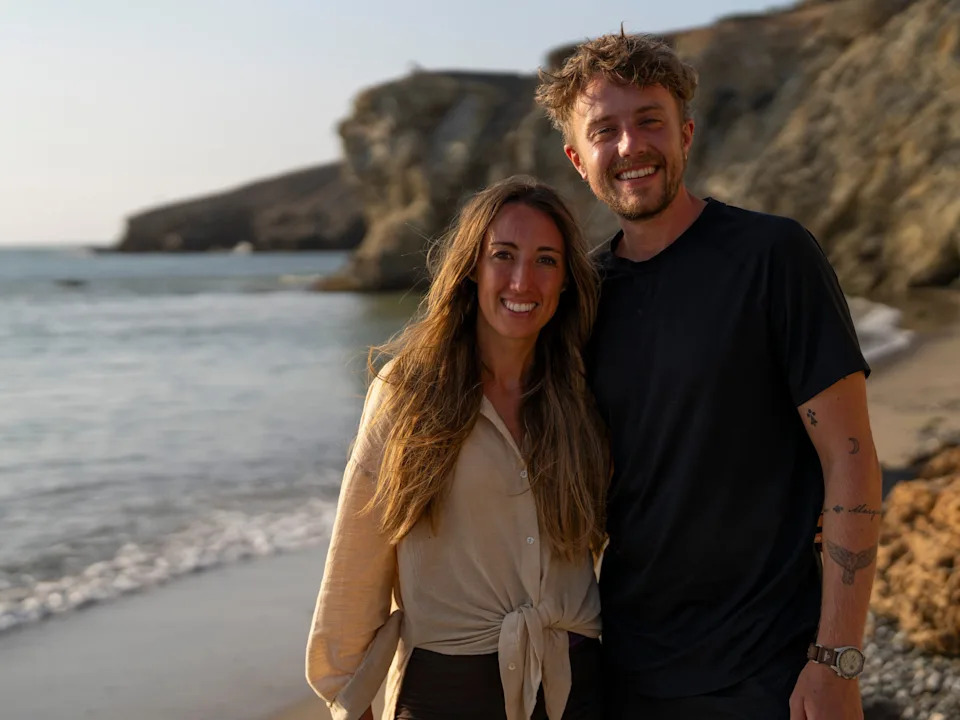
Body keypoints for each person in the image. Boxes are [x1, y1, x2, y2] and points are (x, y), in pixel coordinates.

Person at [536, 31, 883, 720]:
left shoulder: (774, 257)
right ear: (579, 159)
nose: (631, 146)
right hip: (628, 666)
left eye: (649, 122)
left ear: (686, 134)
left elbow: (851, 460)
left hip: (771, 670)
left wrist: (836, 660)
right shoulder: (584, 297)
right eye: (606, 130)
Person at [305, 176, 609, 720]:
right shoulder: (409, 392)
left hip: (574, 684)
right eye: (503, 255)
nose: (523, 279)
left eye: (545, 260)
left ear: (565, 281)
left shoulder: (581, 393)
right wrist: (347, 693)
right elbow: (358, 552)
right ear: (471, 267)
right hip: (446, 691)